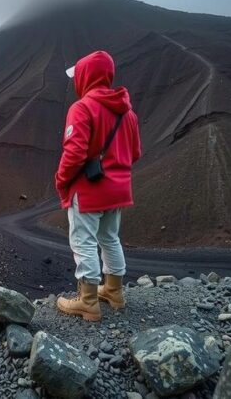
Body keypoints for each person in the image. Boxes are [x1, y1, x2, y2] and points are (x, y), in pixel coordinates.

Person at [55, 50, 141, 322]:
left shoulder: (81, 108)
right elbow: (135, 152)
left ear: (86, 77)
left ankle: (88, 302)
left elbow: (75, 152)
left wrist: (61, 179)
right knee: (109, 238)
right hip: (118, 190)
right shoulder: (128, 113)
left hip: (89, 191)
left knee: (83, 242)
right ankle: (114, 292)